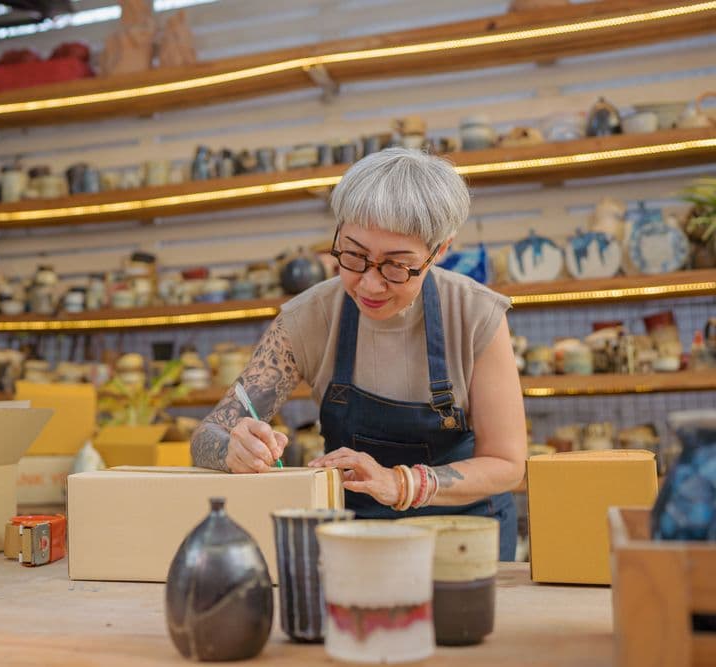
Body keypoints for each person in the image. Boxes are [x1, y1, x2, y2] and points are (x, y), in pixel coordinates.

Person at [190, 148, 526, 560]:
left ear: (440, 250)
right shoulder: (309, 318)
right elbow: (208, 433)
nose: (369, 284)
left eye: (396, 266)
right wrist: (233, 449)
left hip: (463, 539)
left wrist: (401, 484)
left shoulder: (476, 315)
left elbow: (508, 463)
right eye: (353, 256)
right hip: (354, 539)